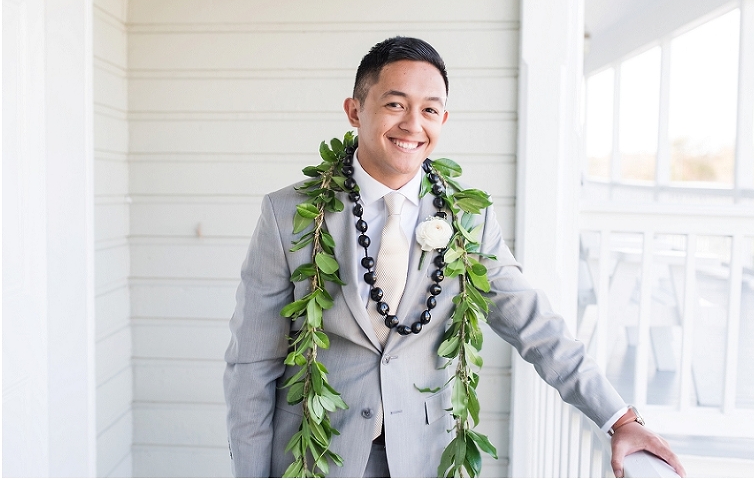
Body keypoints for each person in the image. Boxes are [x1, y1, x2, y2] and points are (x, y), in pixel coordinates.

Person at [223, 36, 685, 478]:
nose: (412, 124)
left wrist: (620, 418)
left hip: (423, 457)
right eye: (394, 104)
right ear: (354, 110)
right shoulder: (289, 215)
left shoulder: (469, 220)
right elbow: (252, 365)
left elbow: (533, 322)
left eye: (429, 110)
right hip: (314, 456)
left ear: (443, 119)